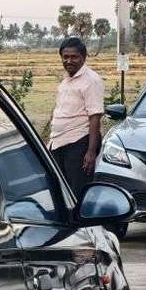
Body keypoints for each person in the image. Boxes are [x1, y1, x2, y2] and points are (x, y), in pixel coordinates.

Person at [50, 37, 105, 197]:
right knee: (62, 192)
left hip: (79, 143)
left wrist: (91, 151)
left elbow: (95, 117)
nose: (69, 61)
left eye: (74, 57)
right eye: (65, 57)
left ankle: (80, 222)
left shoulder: (91, 80)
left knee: (77, 193)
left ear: (84, 57)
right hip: (60, 142)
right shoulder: (67, 80)